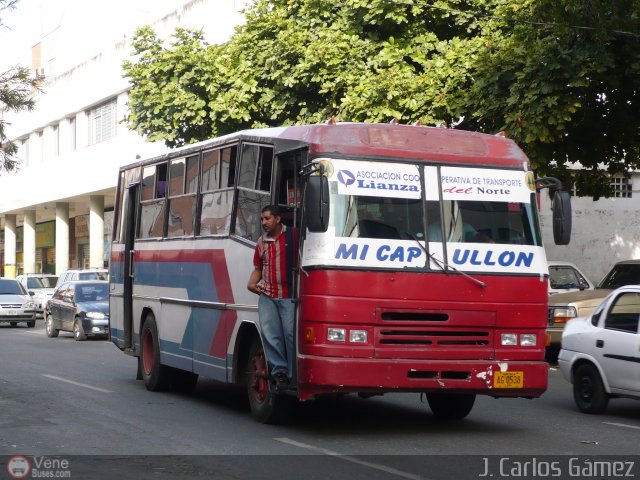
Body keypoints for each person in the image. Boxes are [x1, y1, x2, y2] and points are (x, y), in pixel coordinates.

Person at [247, 205, 297, 392]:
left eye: (267, 218)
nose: (264, 222)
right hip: (267, 295)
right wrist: (252, 284)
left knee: (290, 334)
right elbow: (258, 268)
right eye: (262, 219)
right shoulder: (261, 242)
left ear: (278, 219)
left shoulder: (294, 236)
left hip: (288, 296)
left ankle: (294, 374)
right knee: (270, 335)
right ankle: (280, 372)